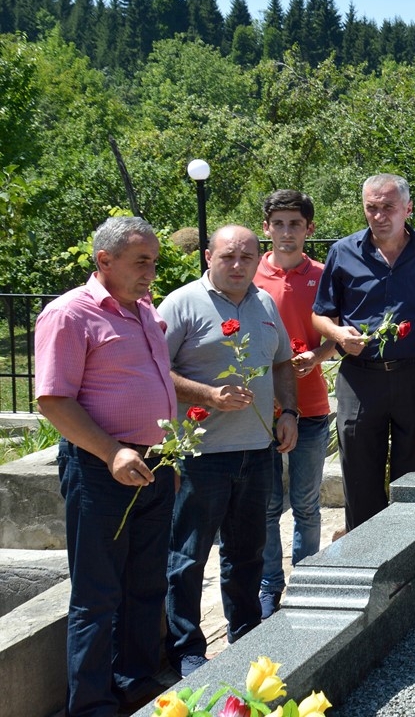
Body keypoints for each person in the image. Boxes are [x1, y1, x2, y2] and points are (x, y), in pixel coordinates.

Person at [34, 217, 176, 716]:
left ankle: (135, 682)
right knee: (97, 593)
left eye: (154, 262)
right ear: (104, 260)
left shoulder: (144, 310)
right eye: (142, 262)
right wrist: (112, 451)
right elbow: (53, 400)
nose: (151, 272)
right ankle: (92, 704)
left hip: (155, 465)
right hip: (101, 468)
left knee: (147, 583)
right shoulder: (70, 314)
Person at [159, 225, 299, 677]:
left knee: (247, 552)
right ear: (208, 257)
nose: (238, 265)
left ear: (258, 259)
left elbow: (281, 362)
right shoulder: (181, 303)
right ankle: (186, 649)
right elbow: (154, 370)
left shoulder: (264, 303)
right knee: (188, 557)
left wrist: (289, 411)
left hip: (256, 451)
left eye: (247, 257)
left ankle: (244, 634)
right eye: (228, 257)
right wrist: (208, 395)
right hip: (201, 455)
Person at [312, 174, 415, 531]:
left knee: (414, 481)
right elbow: (320, 314)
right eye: (371, 208)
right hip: (360, 378)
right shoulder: (343, 252)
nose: (379, 216)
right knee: (359, 479)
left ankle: (411, 551)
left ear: (408, 208)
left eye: (388, 207)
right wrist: (337, 334)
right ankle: (365, 553)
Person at [254, 189, 337, 619]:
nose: (286, 232)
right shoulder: (248, 273)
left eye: (295, 224)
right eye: (279, 224)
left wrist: (317, 356)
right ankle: (270, 584)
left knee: (306, 504)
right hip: (258, 411)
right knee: (267, 506)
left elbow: (337, 335)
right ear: (266, 228)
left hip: (311, 405)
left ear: (309, 229)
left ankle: (306, 580)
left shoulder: (323, 275)